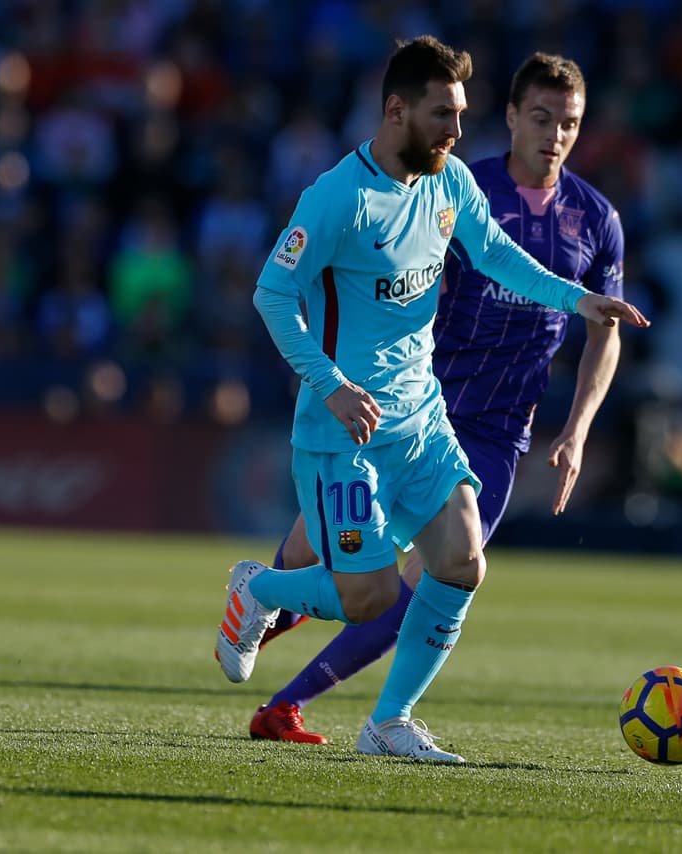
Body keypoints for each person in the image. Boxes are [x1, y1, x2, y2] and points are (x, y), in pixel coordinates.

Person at [214, 36, 648, 764]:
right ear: (395, 111)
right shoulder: (338, 197)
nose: (455, 130)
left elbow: (498, 255)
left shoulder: (448, 183)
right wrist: (332, 384)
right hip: (341, 429)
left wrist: (581, 301)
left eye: (461, 114)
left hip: (420, 419)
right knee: (372, 596)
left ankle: (390, 723)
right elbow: (272, 293)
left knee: (460, 562)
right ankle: (260, 591)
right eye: (442, 114)